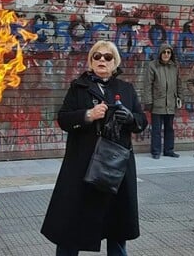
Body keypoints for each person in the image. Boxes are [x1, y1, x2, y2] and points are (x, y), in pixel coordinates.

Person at [41, 40, 148, 255]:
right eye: (97, 56)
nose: (102, 60)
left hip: (115, 167)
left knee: (116, 228)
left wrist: (130, 118)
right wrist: (87, 115)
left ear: (115, 62)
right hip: (82, 165)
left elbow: (141, 121)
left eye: (107, 57)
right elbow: (63, 119)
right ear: (90, 61)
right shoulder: (78, 87)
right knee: (70, 226)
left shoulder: (125, 89)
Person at [142, 43, 182, 159]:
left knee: (169, 128)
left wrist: (180, 97)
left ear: (171, 54)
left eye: (168, 52)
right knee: (156, 130)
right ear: (160, 53)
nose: (166, 54)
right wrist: (148, 102)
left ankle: (169, 150)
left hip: (170, 103)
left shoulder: (175, 66)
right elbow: (147, 85)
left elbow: (179, 84)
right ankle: (155, 151)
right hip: (157, 103)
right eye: (164, 52)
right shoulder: (152, 66)